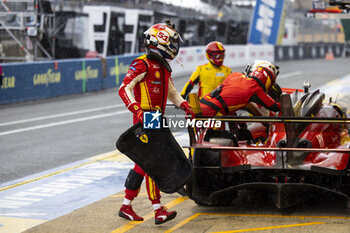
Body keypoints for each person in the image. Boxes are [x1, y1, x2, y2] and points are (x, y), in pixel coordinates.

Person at [118, 20, 195, 225]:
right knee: (154, 163)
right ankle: (157, 209)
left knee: (146, 164)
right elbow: (124, 88)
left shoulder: (162, 66)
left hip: (157, 118)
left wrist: (184, 105)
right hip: (147, 118)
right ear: (161, 41)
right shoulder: (141, 63)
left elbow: (171, 92)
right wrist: (137, 111)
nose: (174, 47)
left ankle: (127, 205)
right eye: (172, 42)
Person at [199, 60, 281, 117]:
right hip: (212, 112)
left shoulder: (235, 75)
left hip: (202, 104)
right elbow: (275, 107)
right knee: (231, 139)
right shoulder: (255, 90)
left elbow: (229, 100)